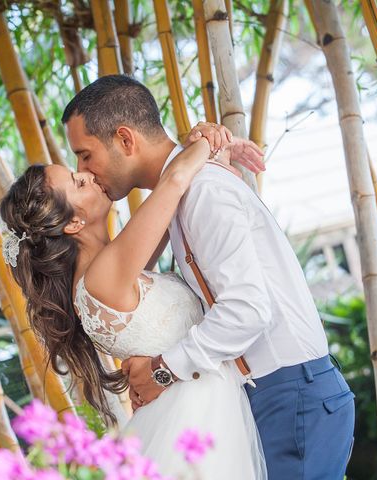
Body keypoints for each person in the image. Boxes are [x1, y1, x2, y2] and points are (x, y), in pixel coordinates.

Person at [63, 75, 355, 479]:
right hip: (267, 395)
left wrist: (164, 370)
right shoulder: (180, 195)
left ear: (126, 140)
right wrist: (203, 148)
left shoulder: (203, 193)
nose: (85, 170)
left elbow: (247, 310)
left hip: (290, 394)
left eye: (85, 155)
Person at [0, 135, 267, 477]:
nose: (90, 175)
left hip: (189, 407)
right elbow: (174, 180)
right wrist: (205, 137)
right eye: (78, 182)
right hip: (195, 413)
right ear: (73, 223)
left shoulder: (108, 268)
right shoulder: (102, 277)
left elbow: (169, 205)